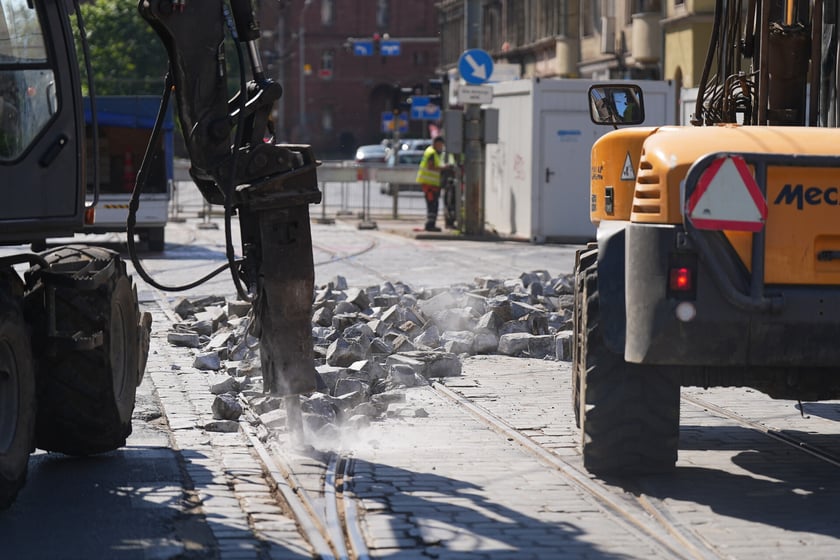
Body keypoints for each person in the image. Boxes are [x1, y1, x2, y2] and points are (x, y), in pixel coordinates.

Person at [416, 136, 447, 232]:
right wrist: (444, 168)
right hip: (430, 184)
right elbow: (431, 167)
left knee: (433, 204)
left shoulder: (433, 152)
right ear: (436, 144)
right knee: (432, 204)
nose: (442, 147)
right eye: (441, 145)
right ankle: (430, 225)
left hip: (431, 184)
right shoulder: (432, 153)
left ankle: (431, 224)